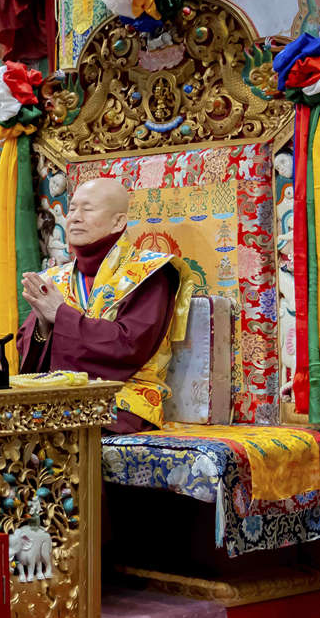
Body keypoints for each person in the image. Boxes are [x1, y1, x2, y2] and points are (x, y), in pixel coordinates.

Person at [17, 178, 190, 433]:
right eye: (72, 209)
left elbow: (129, 346)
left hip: (126, 396)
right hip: (58, 392)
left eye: (87, 209)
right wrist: (43, 325)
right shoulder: (56, 278)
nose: (74, 218)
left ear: (118, 222)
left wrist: (61, 315)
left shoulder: (150, 273)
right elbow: (29, 356)